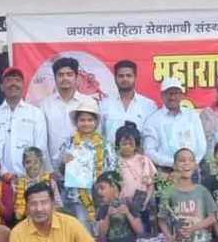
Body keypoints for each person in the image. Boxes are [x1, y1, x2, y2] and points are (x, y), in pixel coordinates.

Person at [160, 147, 218, 242]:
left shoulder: (202, 191)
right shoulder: (168, 192)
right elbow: (161, 220)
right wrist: (171, 238)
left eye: (190, 160)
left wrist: (194, 228)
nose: (186, 164)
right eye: (182, 160)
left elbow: (212, 218)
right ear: (174, 165)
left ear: (195, 165)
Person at [57, 101, 116, 231]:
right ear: (77, 122)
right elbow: (60, 170)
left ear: (95, 122)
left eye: (90, 120)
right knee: (82, 230)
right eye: (82, 120)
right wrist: (64, 163)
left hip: (100, 196)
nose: (86, 123)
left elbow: (112, 169)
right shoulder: (69, 143)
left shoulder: (104, 144)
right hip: (77, 197)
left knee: (101, 232)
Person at [39, 57, 96, 169]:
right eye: (60, 75)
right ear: (55, 78)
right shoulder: (45, 105)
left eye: (69, 74)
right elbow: (42, 141)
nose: (65, 78)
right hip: (53, 172)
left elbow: (96, 137)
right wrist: (49, 170)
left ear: (77, 77)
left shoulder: (89, 103)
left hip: (84, 171)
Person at [0, 67, 49, 177]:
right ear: (2, 87)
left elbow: (40, 147)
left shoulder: (35, 113)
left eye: (17, 80)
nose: (13, 84)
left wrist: (30, 174)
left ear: (23, 85)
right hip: (3, 180)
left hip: (30, 179)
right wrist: (4, 174)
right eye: (9, 80)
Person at [142, 77, 207, 170]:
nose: (172, 97)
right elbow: (149, 150)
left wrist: (191, 163)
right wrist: (173, 163)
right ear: (162, 95)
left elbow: (201, 145)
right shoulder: (153, 120)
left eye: (176, 93)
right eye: (169, 93)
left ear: (181, 95)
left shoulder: (192, 115)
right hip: (167, 171)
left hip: (192, 169)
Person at [99, 60, 158, 146]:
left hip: (139, 157)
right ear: (115, 78)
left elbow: (152, 137)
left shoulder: (149, 105)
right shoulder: (104, 104)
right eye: (121, 76)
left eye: (129, 76)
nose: (125, 79)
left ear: (135, 77)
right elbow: (99, 134)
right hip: (111, 157)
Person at [94, 171, 142, 242]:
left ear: (114, 187)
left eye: (102, 188)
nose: (99, 192)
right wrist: (108, 216)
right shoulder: (102, 208)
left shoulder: (130, 204)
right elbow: (101, 234)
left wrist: (128, 214)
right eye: (98, 189)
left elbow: (140, 231)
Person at [115, 123, 156, 214]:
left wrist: (146, 199)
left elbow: (151, 183)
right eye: (124, 144)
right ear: (118, 144)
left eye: (131, 144)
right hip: (121, 206)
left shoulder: (144, 160)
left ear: (136, 145)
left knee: (143, 227)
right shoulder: (114, 162)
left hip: (141, 204)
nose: (127, 147)